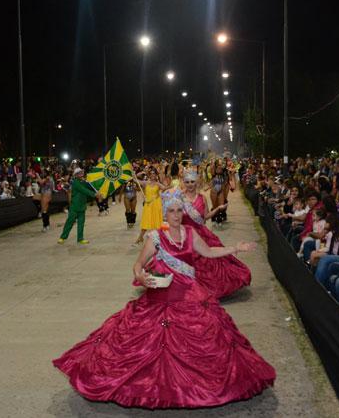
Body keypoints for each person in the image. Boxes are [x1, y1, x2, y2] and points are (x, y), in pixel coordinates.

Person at [53, 191, 275, 408]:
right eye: (171, 211)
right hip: (161, 296)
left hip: (190, 295)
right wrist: (141, 276)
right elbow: (138, 265)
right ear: (164, 214)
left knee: (212, 335)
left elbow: (208, 252)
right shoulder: (155, 236)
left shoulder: (190, 233)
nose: (176, 215)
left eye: (179, 210)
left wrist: (235, 248)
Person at [178, 171, 250, 299]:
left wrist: (217, 209)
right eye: (187, 182)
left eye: (192, 182)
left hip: (201, 234)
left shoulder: (202, 198)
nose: (189, 185)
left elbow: (205, 218)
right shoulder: (178, 198)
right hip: (184, 236)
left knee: (212, 262)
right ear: (183, 182)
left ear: (197, 182)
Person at [58, 168, 98, 245]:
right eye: (79, 173)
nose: (81, 173)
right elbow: (84, 190)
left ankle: (80, 238)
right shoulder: (75, 183)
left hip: (82, 206)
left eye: (81, 172)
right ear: (76, 175)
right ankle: (62, 237)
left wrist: (97, 189)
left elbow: (91, 187)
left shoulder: (84, 182)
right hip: (74, 206)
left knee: (81, 223)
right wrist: (95, 194)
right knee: (70, 222)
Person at [134, 167, 170, 244]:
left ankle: (158, 238)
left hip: (156, 205)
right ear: (149, 175)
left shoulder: (158, 184)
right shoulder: (145, 183)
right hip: (148, 205)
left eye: (154, 173)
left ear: (156, 175)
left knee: (157, 221)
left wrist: (173, 186)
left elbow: (165, 188)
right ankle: (140, 237)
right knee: (146, 220)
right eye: (151, 173)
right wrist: (138, 174)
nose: (153, 175)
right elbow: (135, 180)